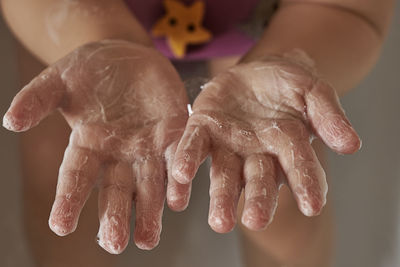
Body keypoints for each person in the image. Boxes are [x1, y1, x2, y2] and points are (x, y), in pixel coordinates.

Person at [0, 0, 394, 266]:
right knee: (61, 171)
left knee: (280, 186)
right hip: (85, 16)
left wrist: (289, 54)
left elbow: (346, 7)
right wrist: (93, 35)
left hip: (270, 20)